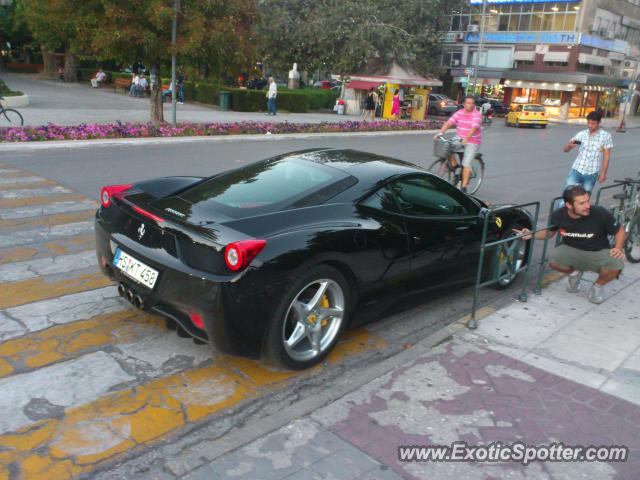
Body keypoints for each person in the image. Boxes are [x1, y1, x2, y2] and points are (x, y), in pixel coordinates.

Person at [515, 185, 625, 304]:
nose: (587, 206)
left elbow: (620, 231)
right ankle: (575, 274)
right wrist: (532, 234)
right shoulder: (559, 215)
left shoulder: (600, 213)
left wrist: (618, 248)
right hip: (571, 249)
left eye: (588, 201)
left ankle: (597, 286)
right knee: (552, 260)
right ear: (569, 205)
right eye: (582, 203)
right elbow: (549, 233)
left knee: (616, 264)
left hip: (598, 251)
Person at [435, 95, 482, 193]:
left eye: (472, 103)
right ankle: (456, 167)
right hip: (459, 138)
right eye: (468, 103)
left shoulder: (477, 115)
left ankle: (464, 187)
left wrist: (467, 139)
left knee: (466, 164)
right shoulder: (459, 113)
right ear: (464, 104)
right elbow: (449, 123)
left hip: (472, 140)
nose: (470, 105)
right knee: (446, 148)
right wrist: (440, 133)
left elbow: (474, 128)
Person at [562, 110, 613, 195]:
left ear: (599, 122)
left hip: (591, 174)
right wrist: (569, 146)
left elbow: (607, 156)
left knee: (585, 198)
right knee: (568, 196)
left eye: (593, 123)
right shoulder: (582, 134)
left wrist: (603, 174)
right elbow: (565, 150)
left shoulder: (606, 136)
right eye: (588, 123)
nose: (590, 126)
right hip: (576, 170)